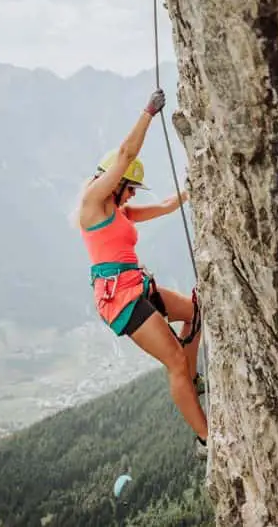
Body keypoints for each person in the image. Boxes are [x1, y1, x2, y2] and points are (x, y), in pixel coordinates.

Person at [76, 88, 208, 452]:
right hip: (120, 299)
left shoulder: (118, 211)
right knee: (174, 362)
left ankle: (192, 378)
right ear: (114, 183)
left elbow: (165, 207)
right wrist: (148, 113)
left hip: (137, 286)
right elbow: (125, 154)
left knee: (196, 311)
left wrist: (190, 191)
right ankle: (205, 438)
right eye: (130, 188)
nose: (133, 194)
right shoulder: (92, 206)